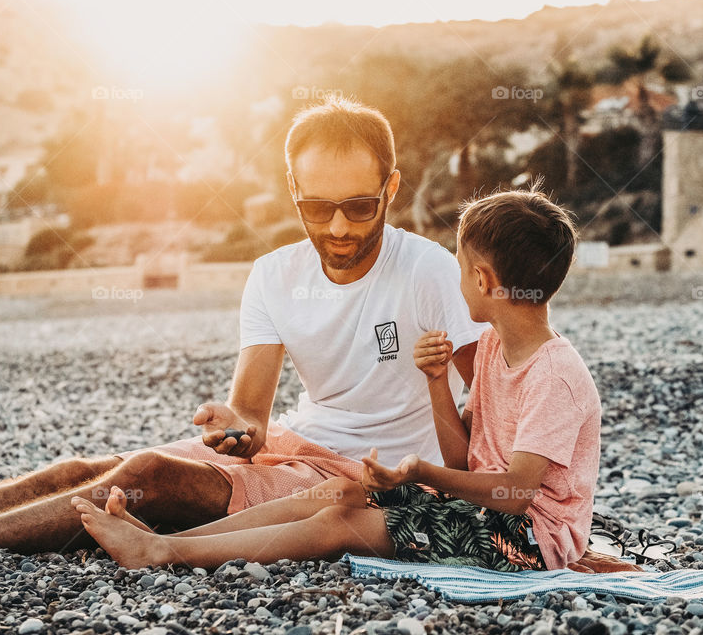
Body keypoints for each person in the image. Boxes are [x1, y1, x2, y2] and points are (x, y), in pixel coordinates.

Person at [0, 96, 488, 557]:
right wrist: (231, 427)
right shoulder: (273, 275)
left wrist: (501, 502)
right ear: (292, 192)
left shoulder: (428, 271)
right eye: (316, 207)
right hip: (292, 442)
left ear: (391, 189)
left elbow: (489, 395)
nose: (337, 227)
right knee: (79, 467)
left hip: (362, 476)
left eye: (357, 206)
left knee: (147, 472)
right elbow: (252, 421)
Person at [67, 189, 602, 572]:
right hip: (478, 513)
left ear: (483, 281)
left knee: (338, 526)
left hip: (530, 540)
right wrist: (436, 381)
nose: (456, 278)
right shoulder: (490, 348)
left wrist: (420, 473)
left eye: (461, 267)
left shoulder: (556, 374)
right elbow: (465, 461)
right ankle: (177, 541)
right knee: (337, 492)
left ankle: (160, 554)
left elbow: (514, 495)